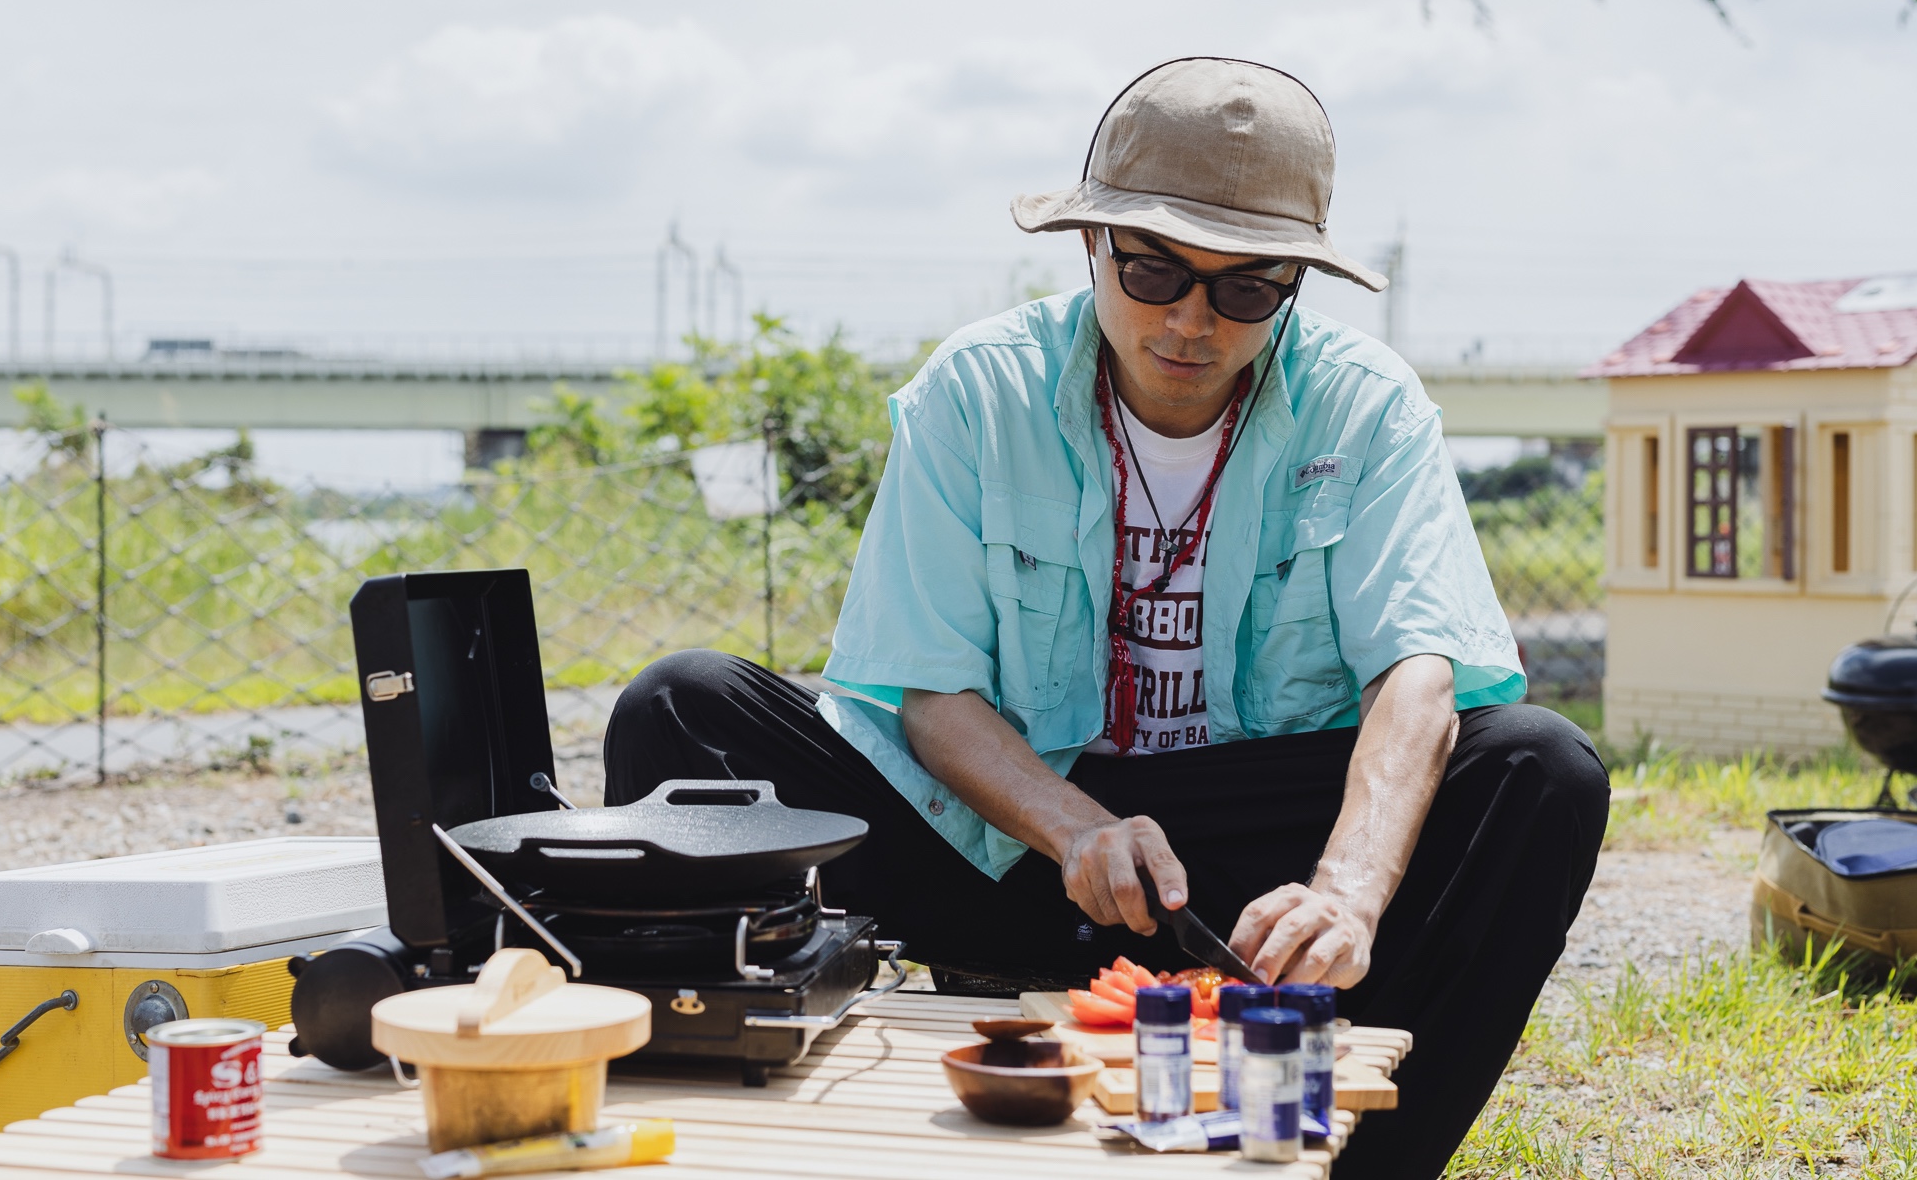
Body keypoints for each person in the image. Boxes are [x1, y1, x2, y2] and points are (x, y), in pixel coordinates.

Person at [604, 57, 1608, 1177]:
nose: (1190, 319)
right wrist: (1076, 827)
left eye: (1244, 288)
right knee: (683, 708)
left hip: (1232, 869)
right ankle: (743, 1121)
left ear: (1289, 285)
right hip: (1005, 834)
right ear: (1089, 246)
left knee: (1538, 766)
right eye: (1151, 270)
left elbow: (1418, 671)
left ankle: (1364, 1157)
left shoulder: (1364, 405)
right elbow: (928, 690)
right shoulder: (974, 391)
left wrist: (1344, 893)